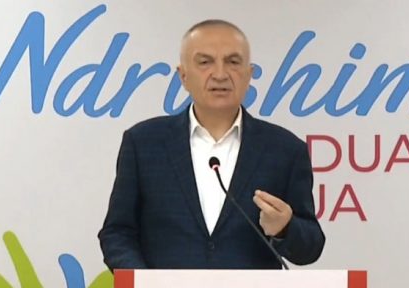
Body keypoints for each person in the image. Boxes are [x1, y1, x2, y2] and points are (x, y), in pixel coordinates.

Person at [98, 19, 324, 270]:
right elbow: (117, 233)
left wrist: (285, 228)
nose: (220, 74)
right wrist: (144, 283)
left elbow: (311, 246)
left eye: (233, 62)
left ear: (249, 75)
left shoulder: (285, 150)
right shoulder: (143, 143)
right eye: (205, 62)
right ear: (183, 76)